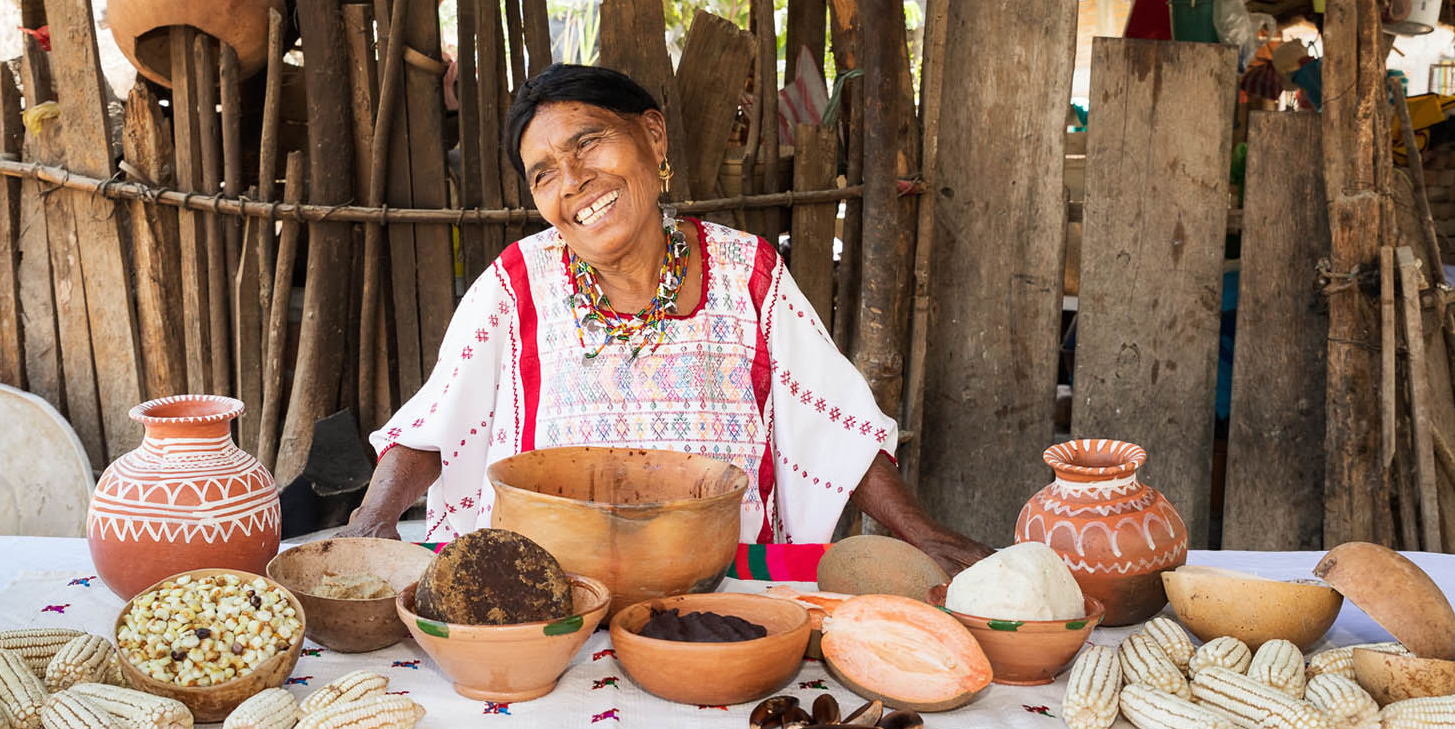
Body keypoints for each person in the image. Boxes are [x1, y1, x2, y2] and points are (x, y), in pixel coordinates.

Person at [341, 64, 992, 574]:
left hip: (725, 587)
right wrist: (369, 525)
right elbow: (433, 423)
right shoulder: (516, 285)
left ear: (652, 136)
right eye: (543, 174)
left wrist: (926, 536)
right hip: (550, 592)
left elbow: (836, 426)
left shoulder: (749, 274)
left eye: (588, 142)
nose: (572, 181)